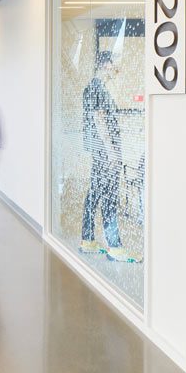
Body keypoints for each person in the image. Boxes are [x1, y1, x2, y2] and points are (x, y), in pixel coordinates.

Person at [80, 51, 133, 263]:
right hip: (104, 153)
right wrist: (112, 152)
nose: (117, 69)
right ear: (106, 64)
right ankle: (114, 245)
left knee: (95, 193)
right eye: (114, 64)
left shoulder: (94, 88)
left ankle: (88, 239)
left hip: (100, 151)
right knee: (109, 196)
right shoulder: (96, 88)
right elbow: (99, 120)